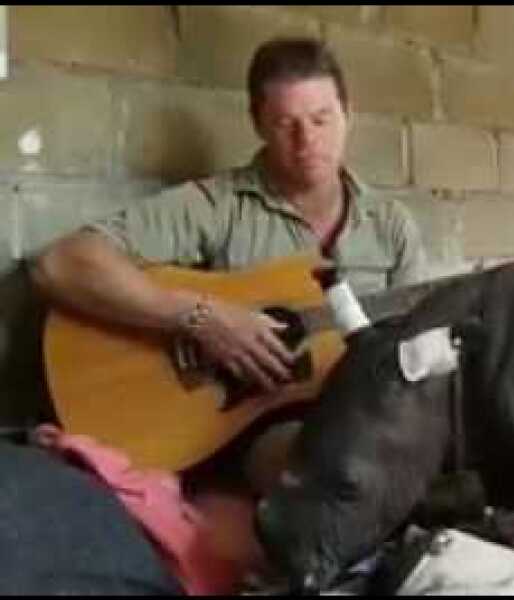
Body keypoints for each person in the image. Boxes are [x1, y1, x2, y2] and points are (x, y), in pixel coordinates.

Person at [30, 37, 428, 498]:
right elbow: (58, 265)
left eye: (322, 119)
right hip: (258, 430)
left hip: (361, 414)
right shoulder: (217, 205)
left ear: (348, 114)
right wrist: (200, 318)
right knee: (325, 472)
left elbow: (419, 348)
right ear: (258, 123)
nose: (307, 141)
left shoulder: (392, 226)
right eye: (286, 124)